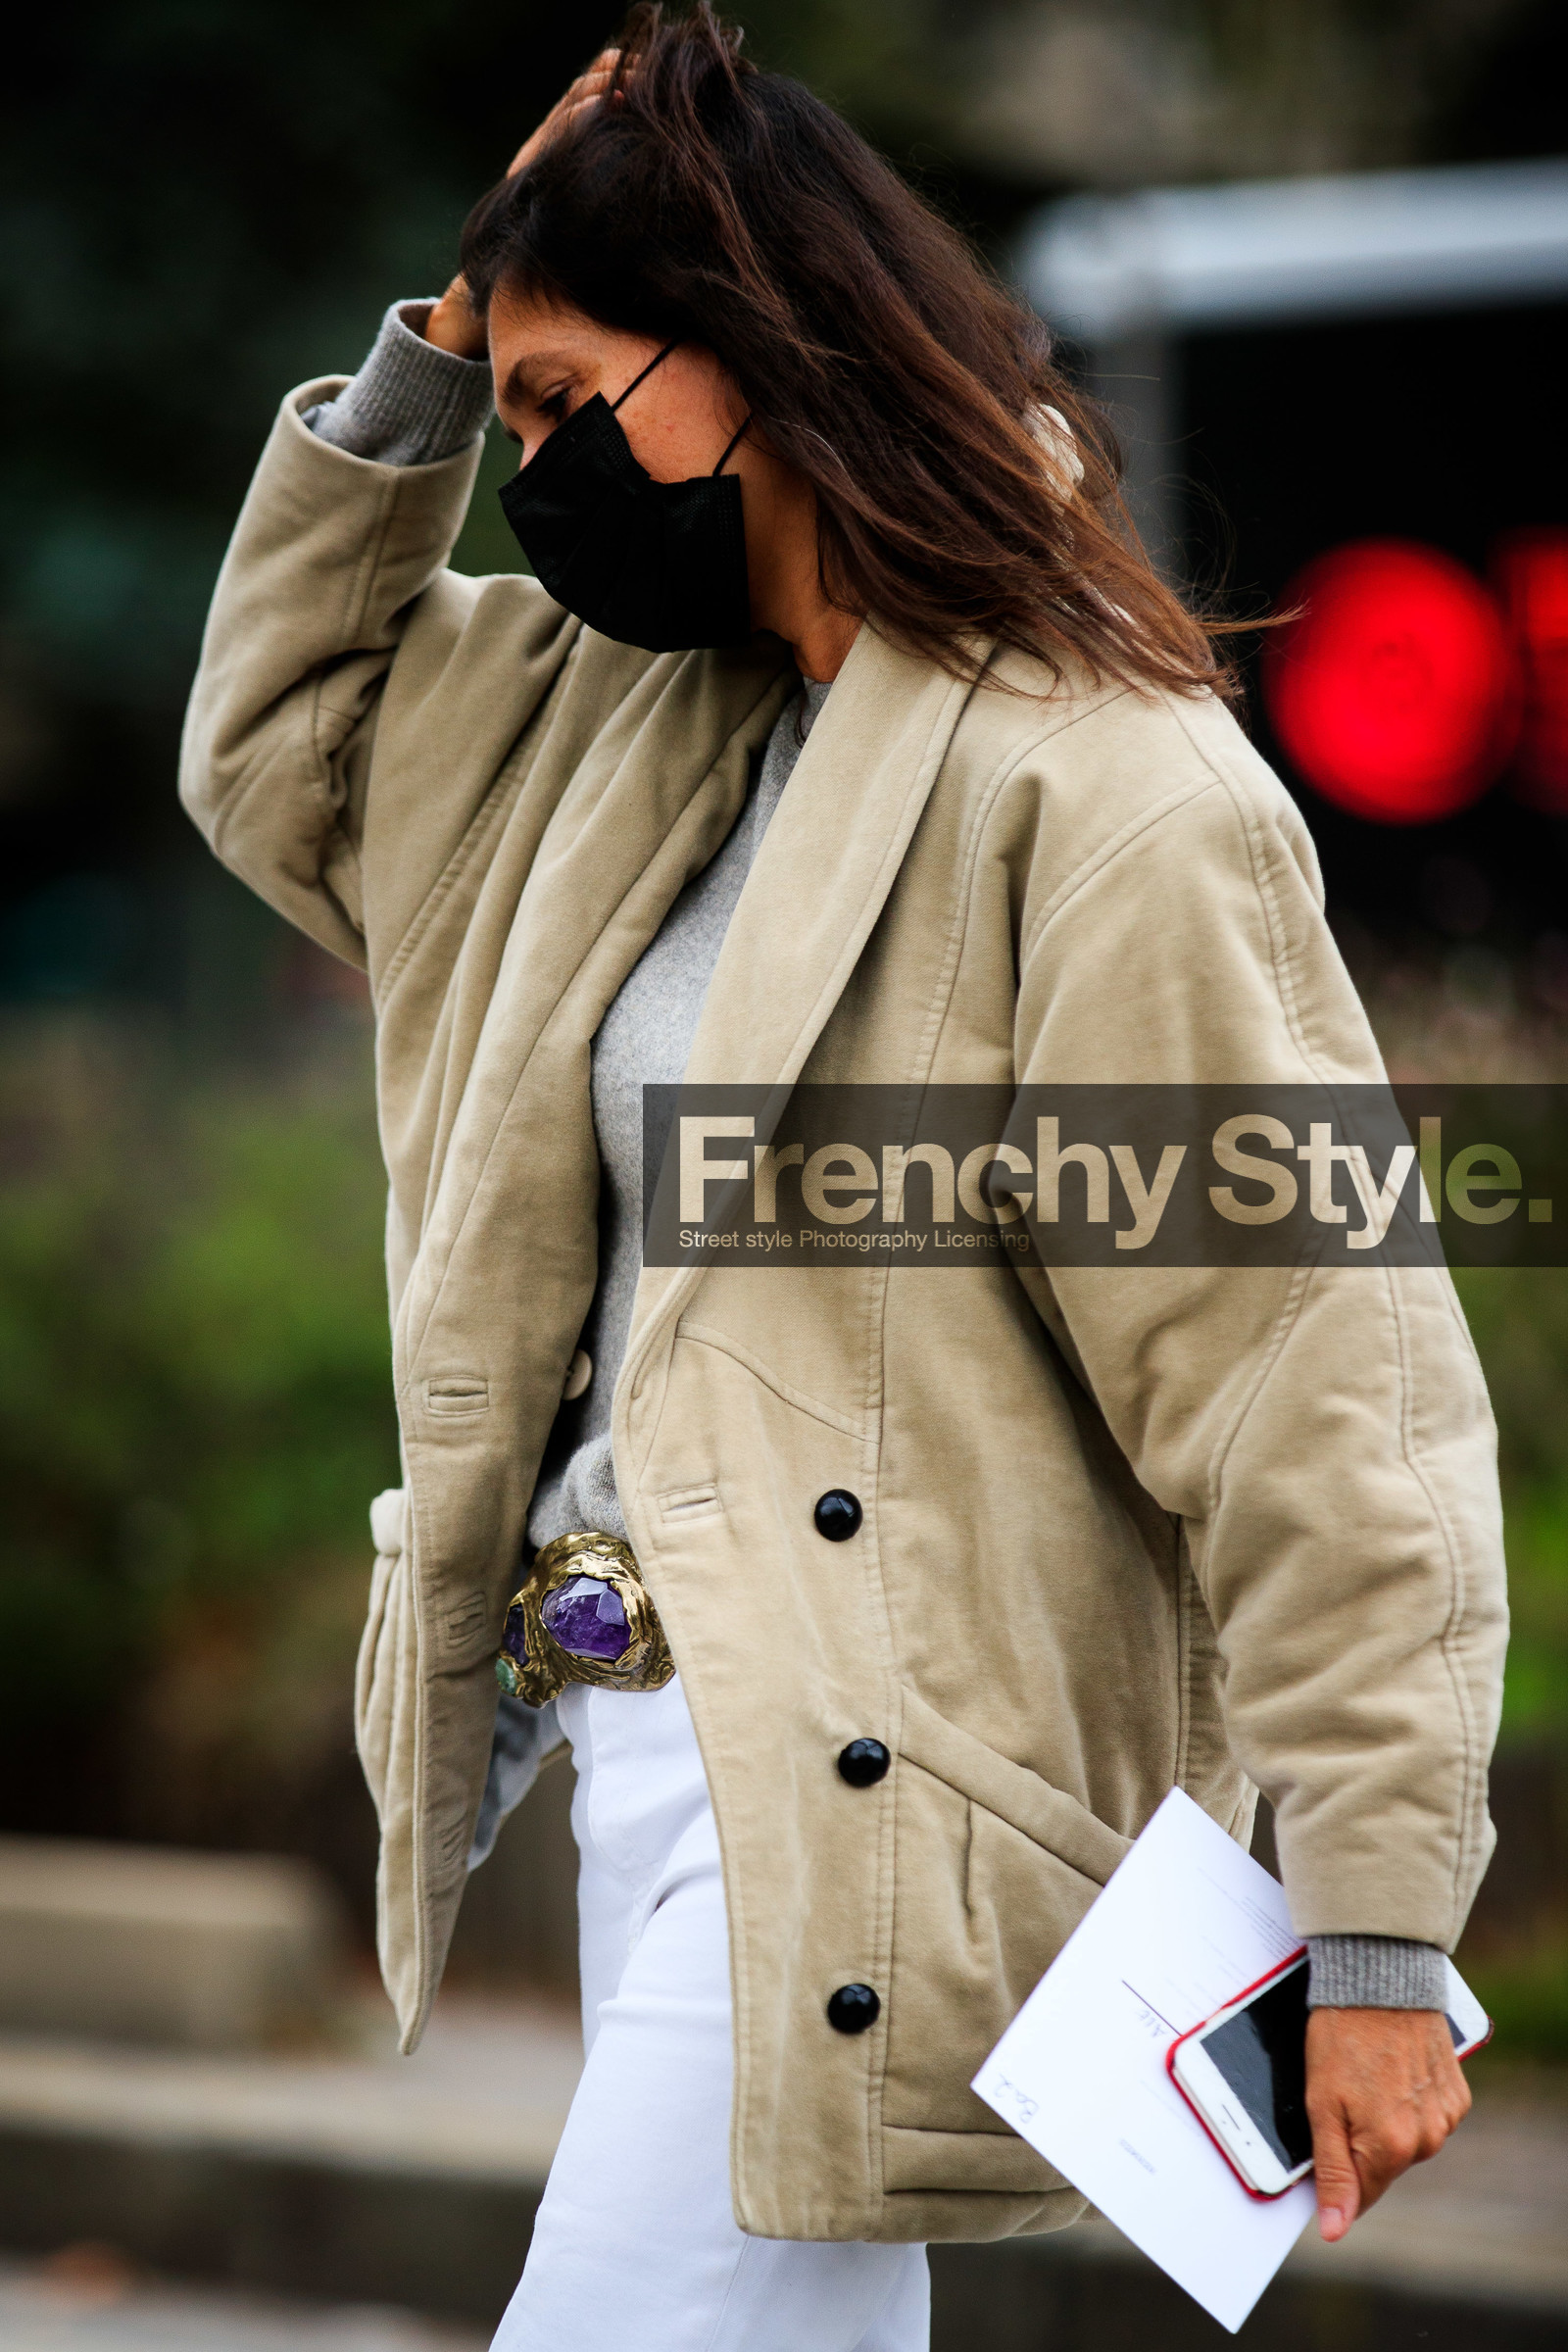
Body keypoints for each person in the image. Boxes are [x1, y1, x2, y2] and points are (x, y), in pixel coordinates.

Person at [180, 11, 1506, 2348]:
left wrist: (1379, 1920)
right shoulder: (627, 723)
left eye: (569, 404)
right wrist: (441, 341)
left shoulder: (1097, 788)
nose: (539, 476)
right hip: (631, 1752)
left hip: (875, 1766)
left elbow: (1312, 1365)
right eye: (512, 424)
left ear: (765, 349)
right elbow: (282, 752)